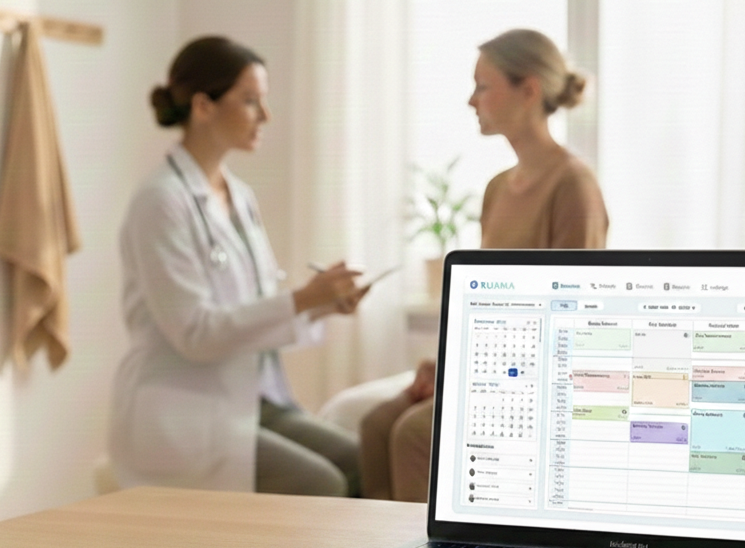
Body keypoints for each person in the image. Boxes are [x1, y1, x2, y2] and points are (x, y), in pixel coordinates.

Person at [110, 36, 368, 496]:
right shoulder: (160, 202)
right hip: (185, 410)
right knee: (322, 484)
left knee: (366, 461)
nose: (265, 116)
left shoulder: (238, 196)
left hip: (250, 394)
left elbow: (255, 309)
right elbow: (196, 334)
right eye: (251, 101)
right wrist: (303, 299)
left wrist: (323, 304)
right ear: (203, 106)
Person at [360, 28, 608, 502]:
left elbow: (576, 319)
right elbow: (488, 301)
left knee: (414, 433)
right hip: (495, 367)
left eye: (483, 85)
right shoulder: (498, 188)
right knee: (376, 425)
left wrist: (478, 374)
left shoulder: (573, 184)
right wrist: (444, 362)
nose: (472, 100)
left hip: (537, 379)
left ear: (528, 90)